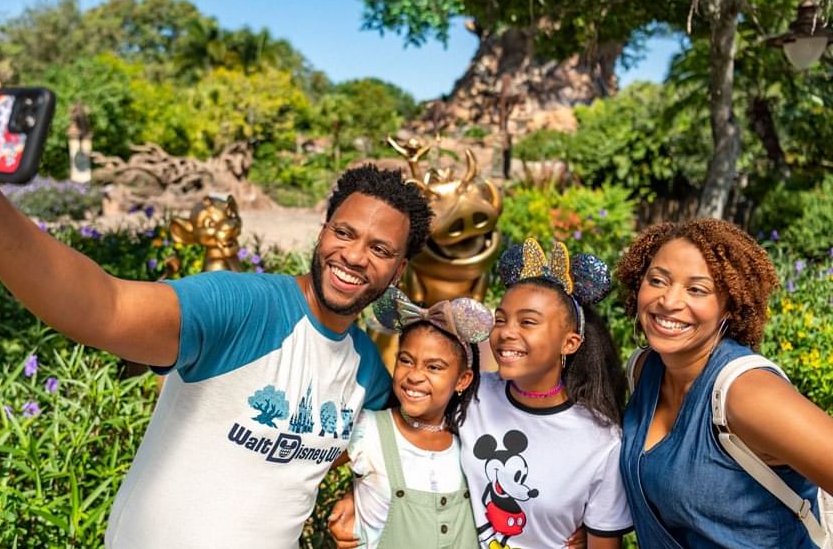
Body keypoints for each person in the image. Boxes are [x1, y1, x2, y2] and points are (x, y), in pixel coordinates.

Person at [0, 68, 434, 548]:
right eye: (344, 232)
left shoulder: (368, 370)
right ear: (322, 233)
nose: (355, 256)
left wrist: (362, 495)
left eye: (381, 249)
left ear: (398, 271)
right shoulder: (245, 308)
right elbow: (101, 306)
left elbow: (398, 445)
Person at [331, 238, 632, 549]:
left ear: (570, 343)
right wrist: (362, 496)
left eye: (527, 322)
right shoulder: (472, 395)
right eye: (500, 320)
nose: (506, 333)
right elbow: (410, 442)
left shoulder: (601, 441)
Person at [615, 218, 833, 548]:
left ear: (729, 305)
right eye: (657, 280)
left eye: (697, 289)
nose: (669, 301)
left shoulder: (746, 393)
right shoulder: (644, 370)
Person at [340, 288, 493, 548]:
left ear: (462, 380)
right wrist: (348, 501)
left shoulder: (471, 441)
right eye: (406, 360)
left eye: (434, 367)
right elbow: (303, 470)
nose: (414, 375)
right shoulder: (367, 428)